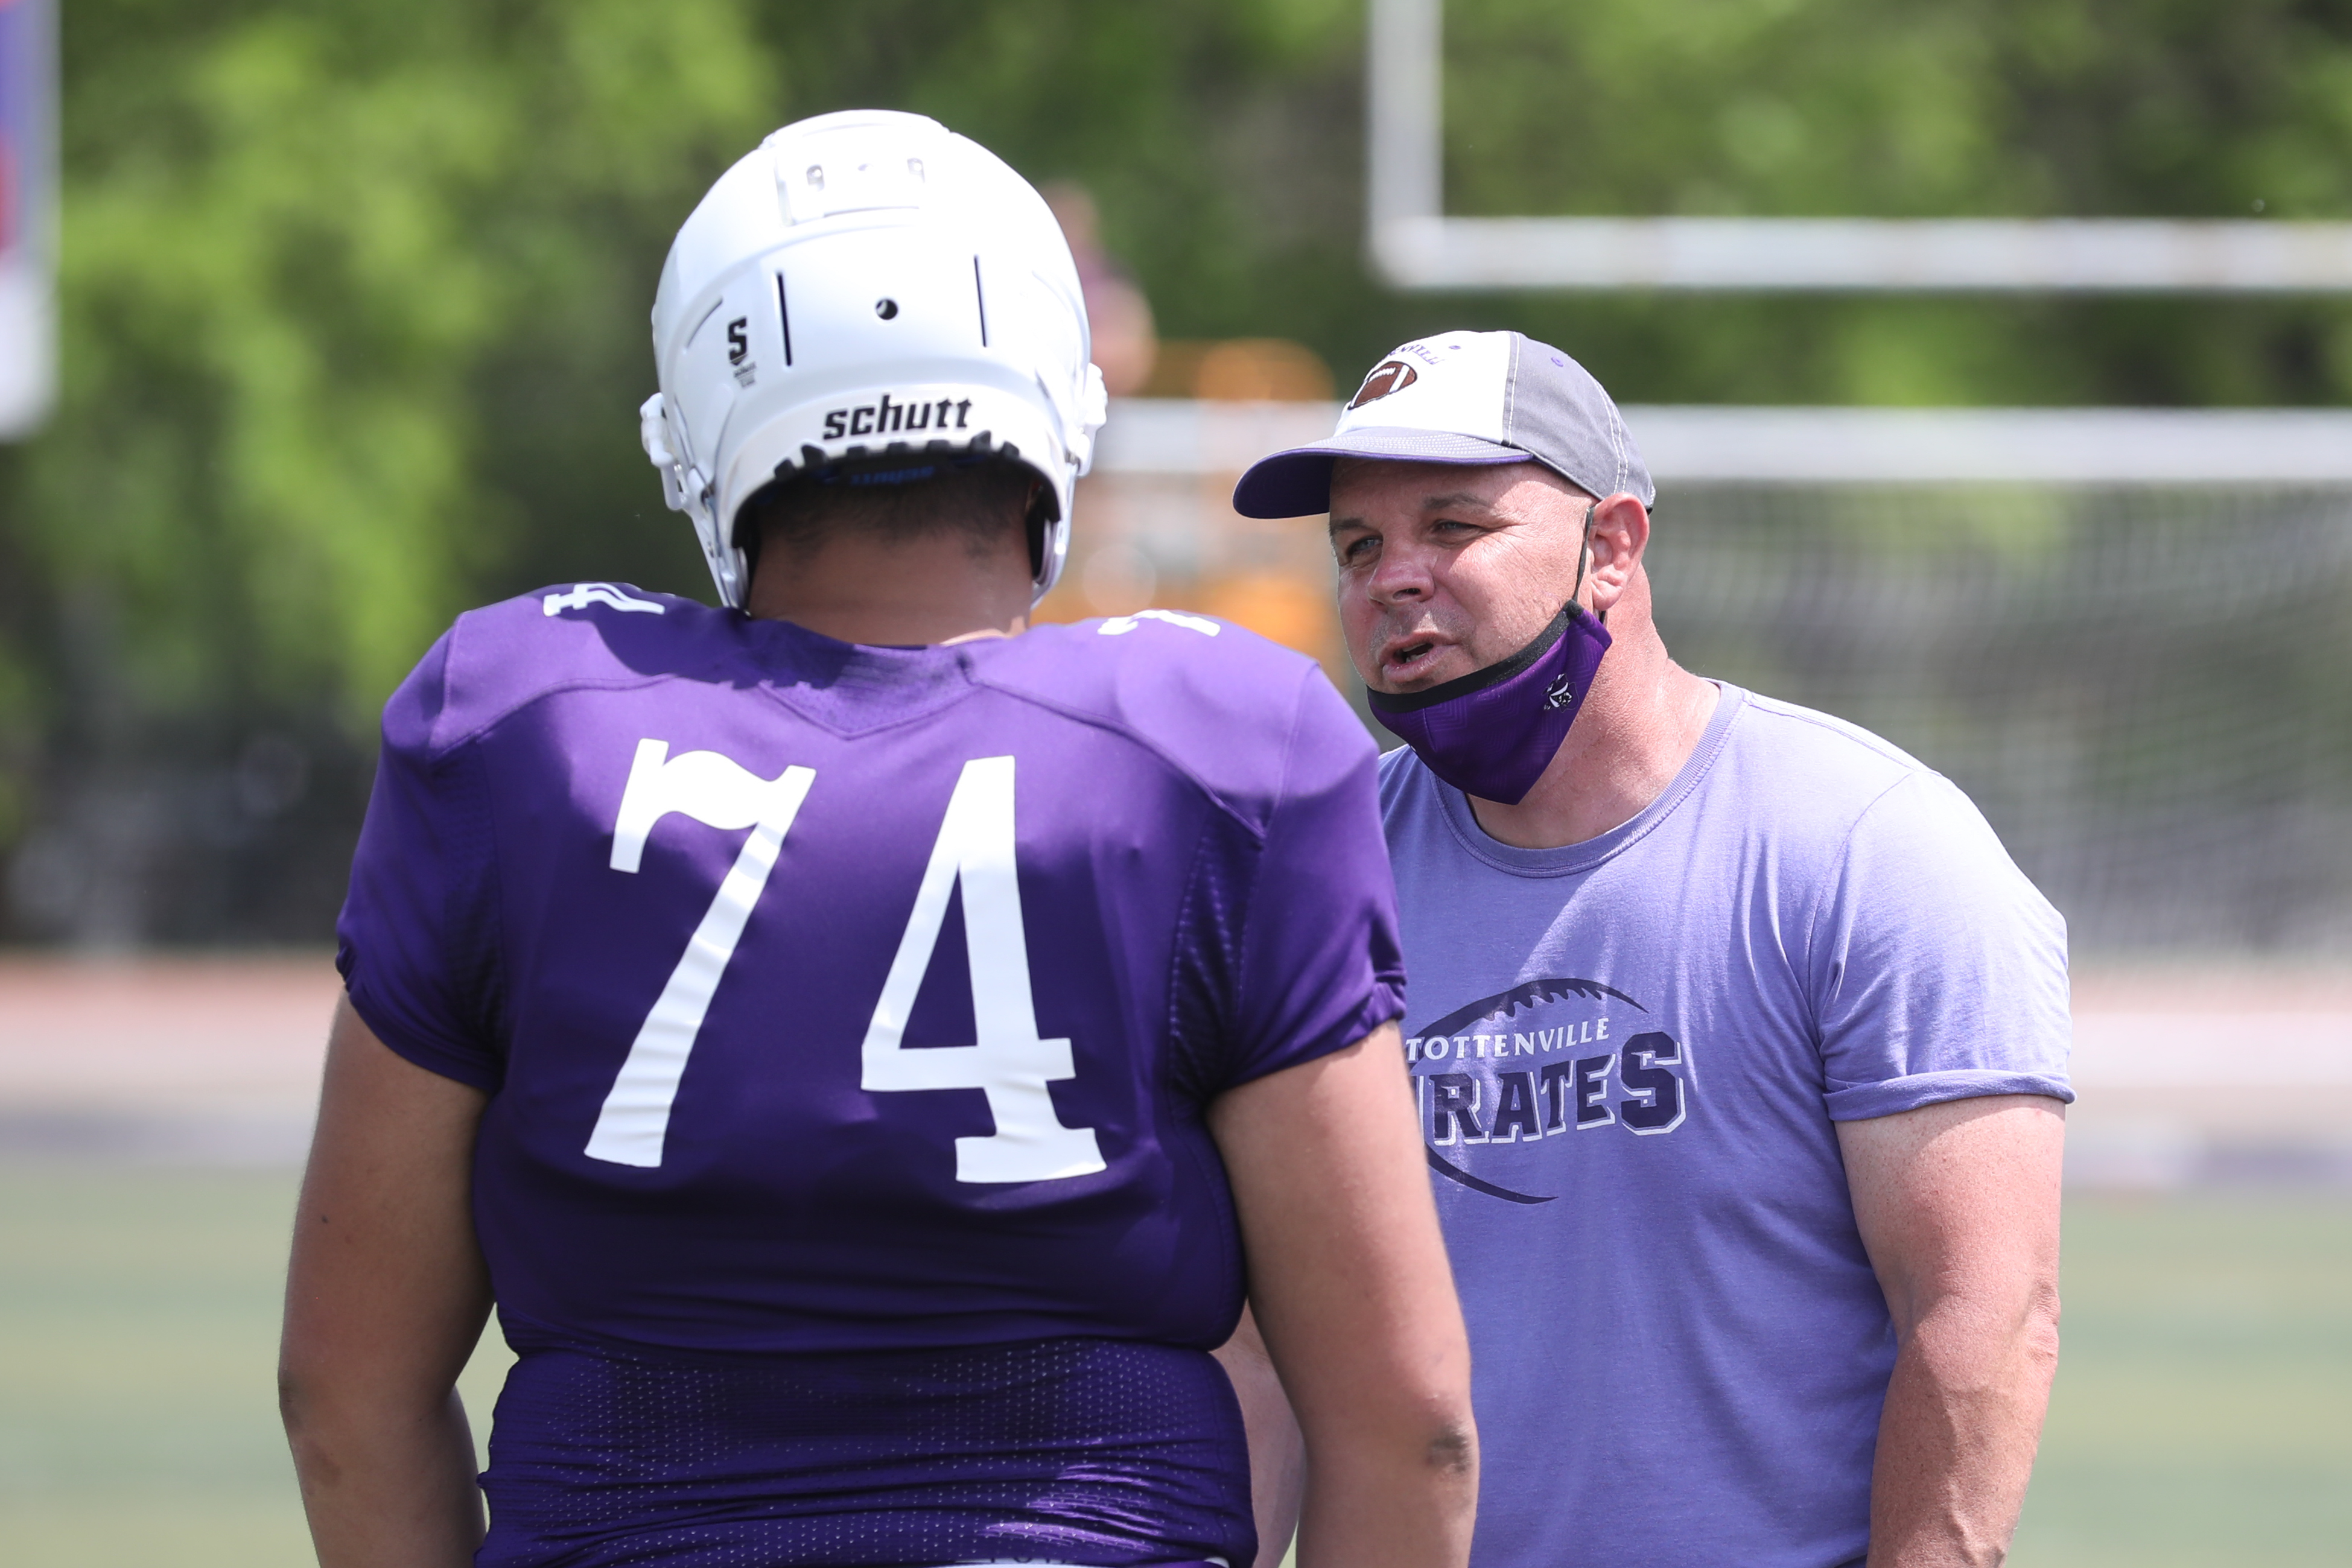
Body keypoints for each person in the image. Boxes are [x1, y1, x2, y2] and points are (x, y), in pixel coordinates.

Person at [278, 111, 1475, 1568]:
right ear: (1051, 394)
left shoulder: (517, 716)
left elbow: (344, 1392)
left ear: (704, 420)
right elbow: (1407, 1417)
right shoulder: (1221, 739)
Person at [1228, 330, 2071, 1568]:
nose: (1392, 578)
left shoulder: (1865, 847)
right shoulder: (1305, 881)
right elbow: (1261, 1354)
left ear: (1610, 546)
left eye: (1453, 526)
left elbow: (1982, 1316)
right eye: (1357, 546)